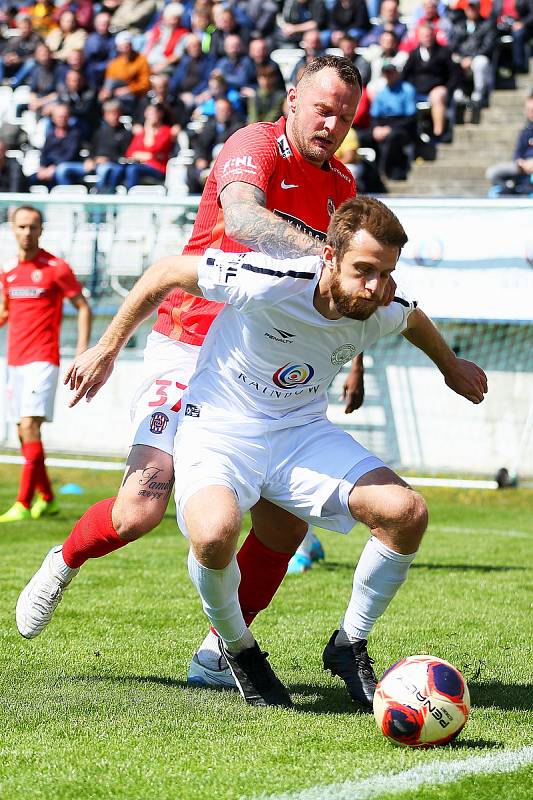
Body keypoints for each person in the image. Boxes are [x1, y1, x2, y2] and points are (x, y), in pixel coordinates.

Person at [29, 197, 487, 707]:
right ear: (329, 257)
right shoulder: (272, 279)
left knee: (406, 513)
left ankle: (349, 644)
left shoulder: (380, 306)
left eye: (386, 273)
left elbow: (414, 320)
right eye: (364, 271)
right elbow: (165, 273)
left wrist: (451, 366)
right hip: (219, 429)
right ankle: (240, 651)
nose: (376, 286)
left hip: (300, 434)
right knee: (212, 532)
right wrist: (107, 348)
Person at [15, 57, 370, 690]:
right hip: (187, 339)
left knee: (286, 524)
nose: (332, 123)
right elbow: (242, 219)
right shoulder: (252, 145)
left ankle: (217, 653)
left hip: (259, 361)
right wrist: (104, 346)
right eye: (322, 108)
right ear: (292, 100)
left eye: (345, 114)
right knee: (140, 509)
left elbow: (351, 288)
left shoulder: (342, 184)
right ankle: (62, 560)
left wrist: (354, 355)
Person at [0, 206, 92, 523]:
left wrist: (82, 350)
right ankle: (49, 499)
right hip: (15, 362)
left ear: (41, 230)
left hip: (42, 360)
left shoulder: (55, 267)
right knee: (22, 432)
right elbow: (5, 313)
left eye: (33, 227)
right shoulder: (8, 270)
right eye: (22, 227)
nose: (27, 233)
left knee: (29, 427)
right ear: (13, 229)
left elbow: (82, 306)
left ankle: (23, 504)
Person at [369, 60, 417, 181]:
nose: (389, 75)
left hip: (402, 126)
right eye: (387, 73)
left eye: (391, 72)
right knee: (362, 137)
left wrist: (390, 128)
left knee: (393, 137)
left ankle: (383, 170)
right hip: (383, 124)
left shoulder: (407, 89)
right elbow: (374, 116)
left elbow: (410, 117)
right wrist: (376, 129)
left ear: (397, 73)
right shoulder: (382, 93)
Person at [486, 92, 533, 196]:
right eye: (528, 110)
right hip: (523, 167)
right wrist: (520, 162)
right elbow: (517, 153)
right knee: (492, 172)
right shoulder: (526, 131)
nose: (530, 113)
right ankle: (509, 187)